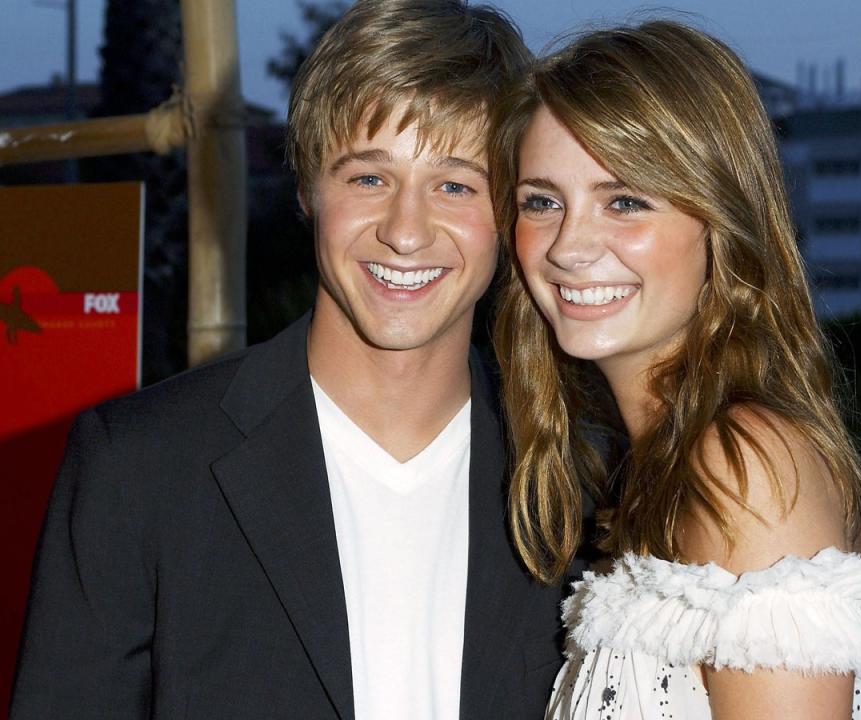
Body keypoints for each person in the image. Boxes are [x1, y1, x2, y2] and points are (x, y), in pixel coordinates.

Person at [10, 2, 570, 718]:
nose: (406, 231)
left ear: (509, 213)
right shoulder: (139, 469)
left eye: (455, 184)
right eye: (369, 178)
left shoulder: (580, 477)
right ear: (308, 190)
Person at [491, 21, 861, 720]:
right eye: (542, 201)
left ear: (720, 219)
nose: (569, 246)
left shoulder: (745, 467)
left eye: (624, 200)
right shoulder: (659, 467)